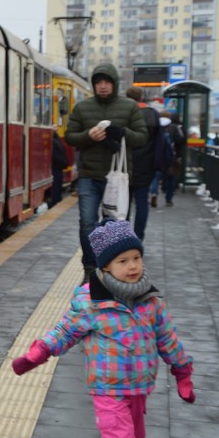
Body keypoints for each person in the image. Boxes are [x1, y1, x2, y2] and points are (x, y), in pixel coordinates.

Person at [11, 220, 195, 438]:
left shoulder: (151, 301)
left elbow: (167, 338)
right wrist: (39, 352)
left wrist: (182, 370)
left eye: (136, 257)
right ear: (106, 266)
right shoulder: (90, 303)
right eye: (123, 261)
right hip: (107, 390)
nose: (133, 266)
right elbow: (65, 331)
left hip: (139, 388)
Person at [65, 63, 148, 281]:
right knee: (87, 223)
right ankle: (91, 268)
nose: (102, 87)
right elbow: (70, 136)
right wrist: (88, 136)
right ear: (94, 85)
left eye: (106, 82)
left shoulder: (129, 106)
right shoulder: (82, 107)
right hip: (89, 175)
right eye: (98, 83)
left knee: (117, 225)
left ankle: (113, 270)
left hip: (118, 179)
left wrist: (123, 133)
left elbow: (142, 137)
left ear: (114, 84)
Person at [124, 87, 159, 240]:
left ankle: (124, 237)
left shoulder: (124, 113)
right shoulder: (152, 114)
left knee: (124, 203)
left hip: (125, 164)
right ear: (142, 98)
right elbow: (159, 141)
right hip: (146, 164)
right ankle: (138, 238)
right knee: (141, 202)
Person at [150, 113, 185, 207]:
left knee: (156, 177)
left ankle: (154, 193)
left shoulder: (155, 127)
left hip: (157, 157)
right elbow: (180, 140)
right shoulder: (174, 128)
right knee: (170, 178)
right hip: (170, 158)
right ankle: (168, 199)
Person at [48, 131, 68, 207]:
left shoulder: (53, 142)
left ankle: (55, 201)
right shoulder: (58, 141)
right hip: (60, 166)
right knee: (58, 183)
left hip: (55, 166)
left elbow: (53, 155)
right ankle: (58, 199)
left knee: (55, 184)